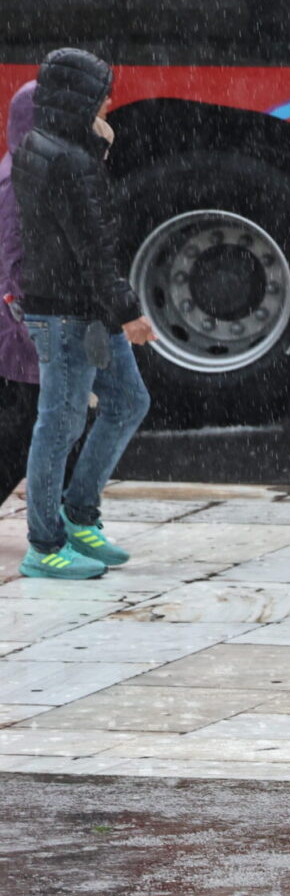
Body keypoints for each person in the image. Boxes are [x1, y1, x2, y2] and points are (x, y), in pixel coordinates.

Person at [14, 49, 156, 580]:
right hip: (69, 313)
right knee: (60, 424)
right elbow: (93, 248)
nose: (110, 102)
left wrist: (95, 146)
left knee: (127, 401)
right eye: (102, 94)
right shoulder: (70, 163)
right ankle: (44, 545)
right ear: (80, 100)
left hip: (78, 308)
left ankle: (78, 513)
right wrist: (129, 312)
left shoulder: (42, 146)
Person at [0, 82, 40, 503]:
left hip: (17, 319)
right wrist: (25, 317)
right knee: (23, 424)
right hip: (19, 323)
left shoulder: (19, 168)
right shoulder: (20, 178)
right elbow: (14, 256)